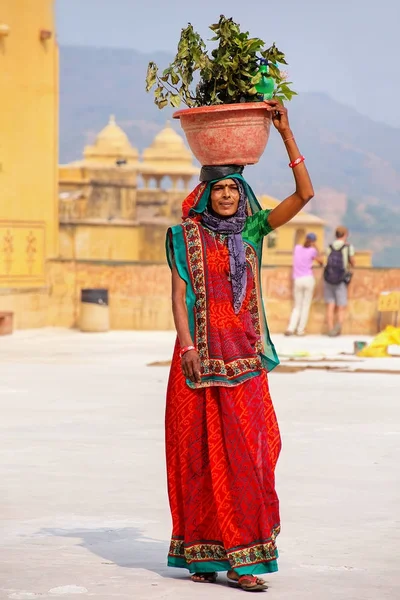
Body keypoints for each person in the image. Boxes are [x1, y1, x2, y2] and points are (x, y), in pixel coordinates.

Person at [165, 100, 314, 592]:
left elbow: (304, 194)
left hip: (244, 359)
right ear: (205, 193)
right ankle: (208, 555)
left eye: (234, 187)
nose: (227, 195)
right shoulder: (183, 236)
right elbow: (180, 295)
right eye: (220, 188)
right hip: (197, 360)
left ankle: (246, 557)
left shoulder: (253, 230)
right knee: (200, 455)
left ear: (242, 193)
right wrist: (187, 346)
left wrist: (286, 134)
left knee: (252, 452)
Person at [285, 232, 323, 336]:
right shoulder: (312, 251)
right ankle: (300, 330)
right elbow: (321, 261)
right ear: (314, 241)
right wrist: (316, 248)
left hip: (297, 279)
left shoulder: (297, 248)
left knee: (297, 306)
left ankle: (290, 328)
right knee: (305, 306)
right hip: (308, 279)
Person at [324, 226, 355, 337]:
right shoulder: (347, 247)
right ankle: (338, 328)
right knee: (341, 306)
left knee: (330, 305)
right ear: (345, 235)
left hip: (328, 279)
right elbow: (352, 261)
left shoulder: (330, 246)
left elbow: (326, 261)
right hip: (341, 279)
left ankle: (330, 328)